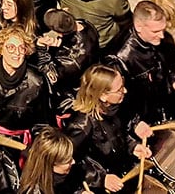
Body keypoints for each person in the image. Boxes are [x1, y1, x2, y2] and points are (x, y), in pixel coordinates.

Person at [63, 64, 153, 193]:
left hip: (121, 176)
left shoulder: (112, 109)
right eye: (119, 89)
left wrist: (133, 146)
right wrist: (101, 178)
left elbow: (117, 137)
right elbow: (67, 165)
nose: (125, 91)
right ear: (103, 96)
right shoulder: (80, 127)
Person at [105, 0, 175, 124]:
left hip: (162, 107)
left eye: (163, 30)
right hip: (143, 119)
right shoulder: (121, 58)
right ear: (138, 26)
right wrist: (135, 123)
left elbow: (166, 66)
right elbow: (117, 101)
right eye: (155, 31)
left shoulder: (157, 40)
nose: (162, 36)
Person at [18, 127, 90, 194]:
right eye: (67, 161)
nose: (73, 161)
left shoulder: (70, 175)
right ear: (51, 165)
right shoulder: (34, 191)